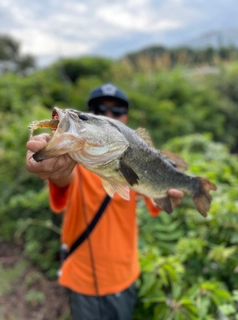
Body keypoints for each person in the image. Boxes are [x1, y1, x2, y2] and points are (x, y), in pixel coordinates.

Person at [26, 83, 184, 320]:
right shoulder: (76, 160)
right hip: (81, 278)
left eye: (117, 111)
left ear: (125, 119)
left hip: (124, 275)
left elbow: (160, 199)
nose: (109, 114)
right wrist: (53, 165)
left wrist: (170, 196)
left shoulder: (136, 156)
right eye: (99, 110)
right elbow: (62, 176)